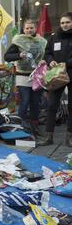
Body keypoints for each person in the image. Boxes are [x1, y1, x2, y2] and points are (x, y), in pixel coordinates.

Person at [4, 19, 47, 137]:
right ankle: (21, 126)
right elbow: (7, 56)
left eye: (31, 28)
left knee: (35, 103)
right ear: (23, 29)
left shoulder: (42, 42)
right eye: (27, 28)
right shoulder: (18, 40)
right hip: (23, 75)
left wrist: (45, 60)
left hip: (37, 76)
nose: (29, 30)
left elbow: (48, 55)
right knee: (25, 100)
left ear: (35, 28)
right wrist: (19, 55)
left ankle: (34, 127)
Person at [38, 12, 72, 146]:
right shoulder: (54, 37)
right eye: (63, 22)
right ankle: (49, 136)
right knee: (52, 105)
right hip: (57, 76)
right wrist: (50, 60)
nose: (65, 25)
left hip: (70, 73)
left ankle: (69, 137)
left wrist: (67, 63)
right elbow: (47, 53)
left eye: (67, 22)